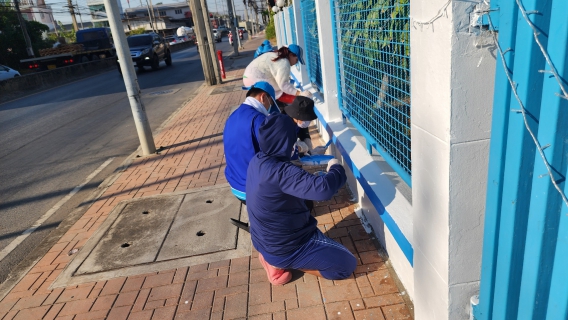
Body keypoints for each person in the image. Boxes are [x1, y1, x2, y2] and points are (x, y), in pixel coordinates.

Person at [246, 113, 357, 285]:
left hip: (264, 241)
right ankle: (283, 262)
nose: (294, 144)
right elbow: (323, 190)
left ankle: (273, 259)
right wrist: (336, 168)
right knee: (347, 264)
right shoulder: (281, 172)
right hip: (289, 246)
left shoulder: (257, 160)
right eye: (292, 138)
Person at [223, 81, 278, 203]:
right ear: (263, 97)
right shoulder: (259, 120)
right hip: (253, 191)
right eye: (271, 103)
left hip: (235, 185)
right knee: (303, 203)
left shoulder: (232, 116)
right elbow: (276, 153)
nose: (269, 108)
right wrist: (297, 149)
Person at [243, 44, 313, 105]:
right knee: (279, 92)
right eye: (297, 60)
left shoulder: (277, 54)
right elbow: (283, 85)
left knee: (278, 89)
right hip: (254, 79)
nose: (295, 63)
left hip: (247, 76)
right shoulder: (284, 62)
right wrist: (299, 93)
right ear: (291, 55)